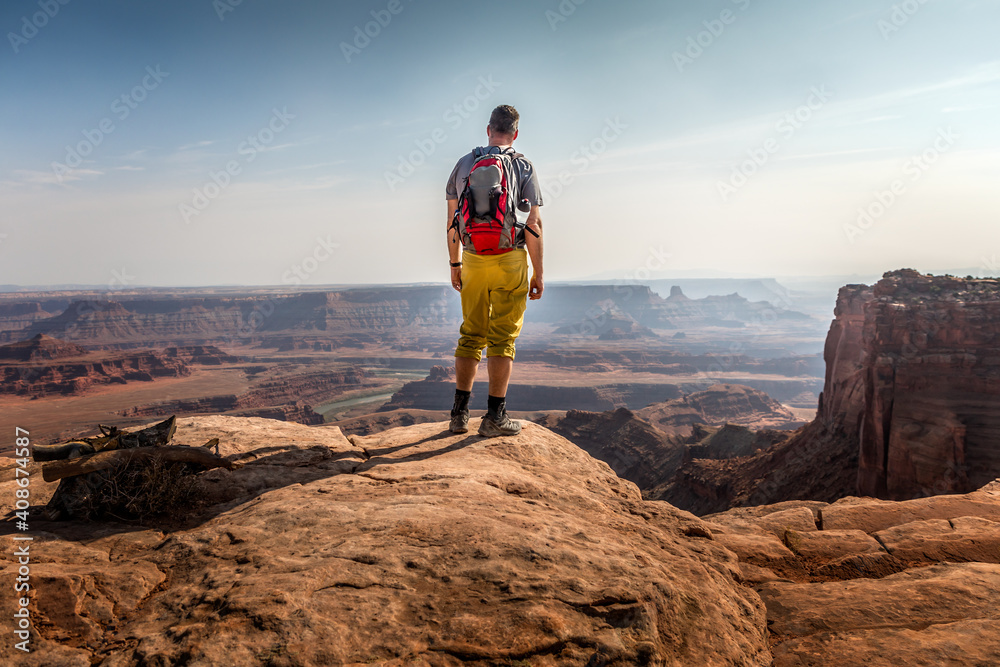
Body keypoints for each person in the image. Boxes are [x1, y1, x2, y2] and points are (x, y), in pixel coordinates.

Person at [445, 104, 544, 437]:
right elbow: (533, 225)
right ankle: (494, 418)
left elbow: (451, 222)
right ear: (515, 133)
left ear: (488, 129)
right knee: (503, 339)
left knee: (471, 334)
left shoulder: (464, 164)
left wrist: (455, 263)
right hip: (509, 258)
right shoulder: (523, 166)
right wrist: (537, 272)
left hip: (472, 259)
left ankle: (459, 415)